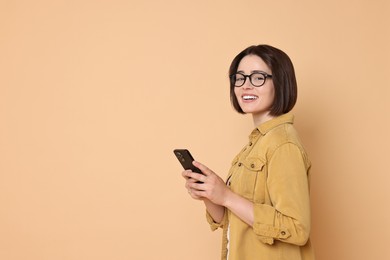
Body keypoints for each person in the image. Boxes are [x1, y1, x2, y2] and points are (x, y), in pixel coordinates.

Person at [182, 44, 315, 260]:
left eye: (258, 77)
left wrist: (226, 196)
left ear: (280, 83)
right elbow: (234, 221)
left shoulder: (283, 144)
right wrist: (210, 195)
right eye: (240, 78)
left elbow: (297, 228)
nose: (246, 86)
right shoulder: (256, 144)